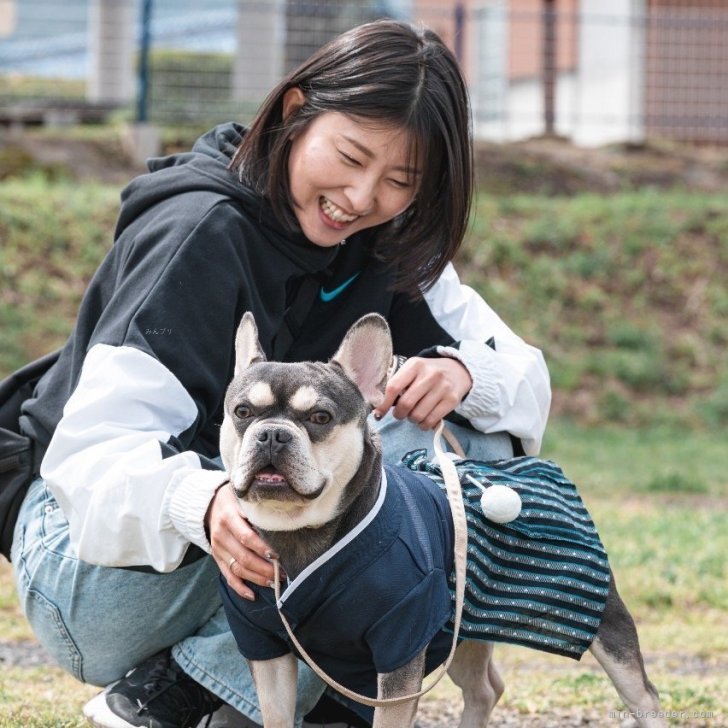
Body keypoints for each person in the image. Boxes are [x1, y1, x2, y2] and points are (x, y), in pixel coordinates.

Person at [11, 19, 550, 728]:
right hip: (89, 573)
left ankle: (315, 694)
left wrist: (461, 373)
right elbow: (88, 460)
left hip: (246, 550)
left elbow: (524, 379)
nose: (360, 197)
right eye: (350, 156)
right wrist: (199, 506)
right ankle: (188, 689)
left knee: (464, 445)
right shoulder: (200, 234)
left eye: (398, 181)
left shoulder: (386, 249)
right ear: (297, 113)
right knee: (385, 466)